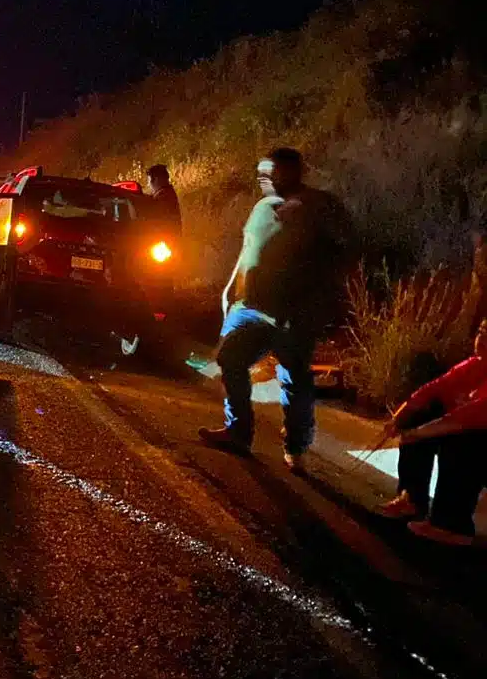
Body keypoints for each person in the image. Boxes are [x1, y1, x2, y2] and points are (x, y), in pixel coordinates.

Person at [198, 147, 355, 470]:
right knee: (230, 358)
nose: (264, 177)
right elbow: (248, 249)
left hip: (295, 313)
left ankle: (295, 446)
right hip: (253, 306)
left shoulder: (320, 207)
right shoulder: (262, 207)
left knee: (294, 379)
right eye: (262, 172)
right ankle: (238, 432)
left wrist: (324, 300)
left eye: (272, 171)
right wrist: (231, 288)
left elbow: (345, 251)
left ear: (295, 171)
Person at [375, 319, 487, 546]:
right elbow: (433, 389)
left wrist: (418, 434)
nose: (482, 340)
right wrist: (399, 419)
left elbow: (467, 418)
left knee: (465, 442)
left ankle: (453, 525)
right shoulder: (476, 365)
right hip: (466, 427)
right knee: (423, 414)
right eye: (481, 332)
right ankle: (412, 498)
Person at [145, 164, 182, 235]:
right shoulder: (167, 193)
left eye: (149, 180)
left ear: (156, 179)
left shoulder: (164, 196)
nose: (148, 184)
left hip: (166, 240)